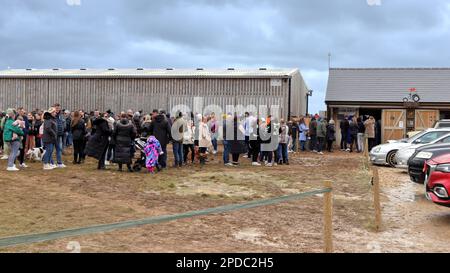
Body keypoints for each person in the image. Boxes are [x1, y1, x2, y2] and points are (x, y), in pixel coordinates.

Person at [53, 104, 66, 168]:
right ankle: (51, 163)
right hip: (53, 135)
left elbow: (63, 123)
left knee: (59, 149)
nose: (57, 109)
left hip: (59, 135)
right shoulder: (52, 115)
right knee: (51, 149)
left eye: (58, 108)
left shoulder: (61, 116)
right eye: (56, 108)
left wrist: (63, 129)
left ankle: (59, 162)